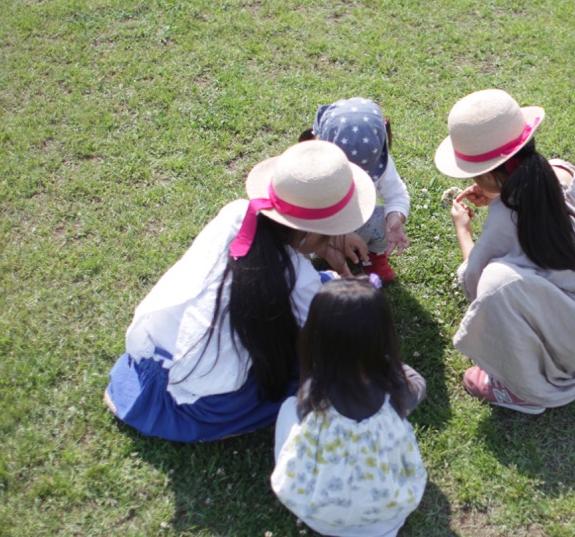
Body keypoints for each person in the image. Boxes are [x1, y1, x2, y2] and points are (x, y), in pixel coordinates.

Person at [105, 141, 376, 442]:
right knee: (316, 370)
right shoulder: (298, 279)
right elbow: (317, 337)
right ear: (310, 232)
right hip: (201, 400)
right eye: (332, 230)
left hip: (149, 360)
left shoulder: (237, 214)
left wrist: (321, 252)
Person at [434, 89, 575, 415]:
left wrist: (463, 230)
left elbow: (474, 284)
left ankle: (524, 390)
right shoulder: (561, 171)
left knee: (496, 283)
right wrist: (498, 194)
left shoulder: (507, 216)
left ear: (490, 174)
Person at [271, 278, 427, 537]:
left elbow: (300, 412)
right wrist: (392, 366)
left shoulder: (313, 392)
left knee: (288, 410)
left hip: (317, 513)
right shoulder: (395, 388)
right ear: (383, 335)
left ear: (315, 335)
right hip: (391, 514)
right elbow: (418, 387)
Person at [300, 97, 410, 283]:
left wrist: (395, 217)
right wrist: (337, 236)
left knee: (384, 216)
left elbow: (397, 194)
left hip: (356, 223)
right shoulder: (307, 167)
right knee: (293, 244)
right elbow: (304, 216)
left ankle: (373, 256)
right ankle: (303, 268)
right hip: (314, 229)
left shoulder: (378, 160)